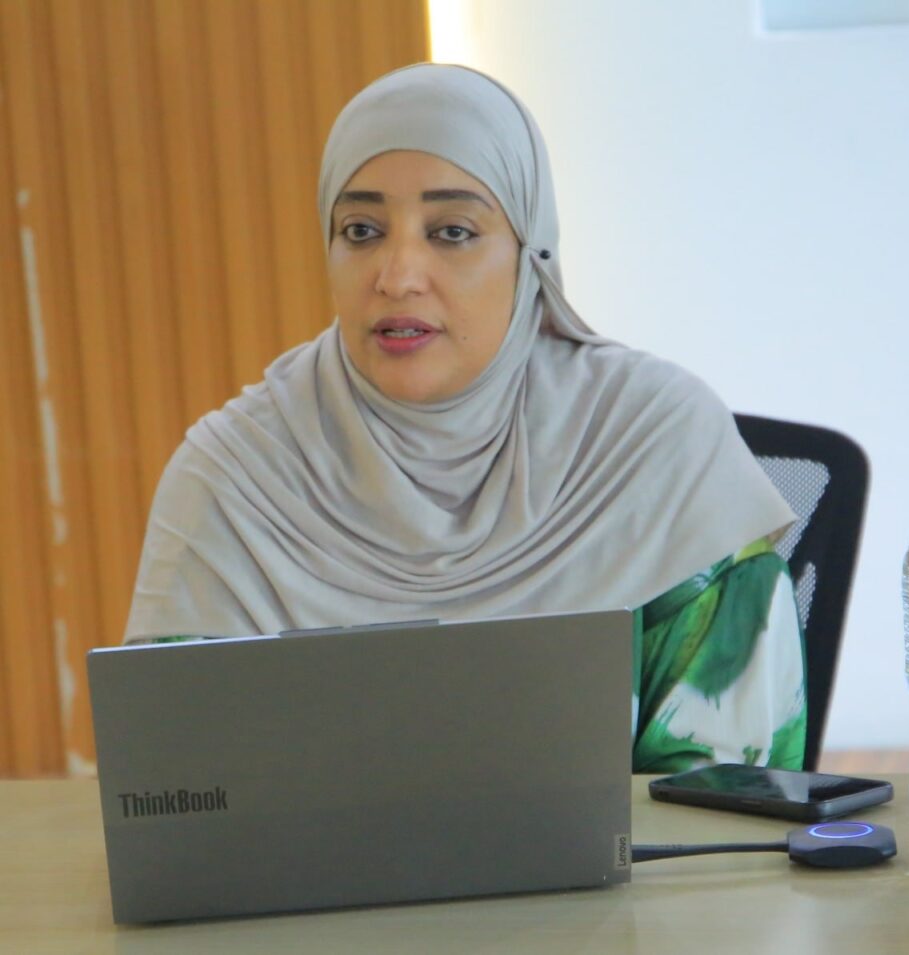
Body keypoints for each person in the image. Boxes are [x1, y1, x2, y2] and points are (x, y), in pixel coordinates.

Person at [124, 63, 805, 774]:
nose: (396, 276)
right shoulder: (234, 474)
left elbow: (727, 792)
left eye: (452, 231)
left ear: (531, 253)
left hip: (619, 855)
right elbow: (178, 784)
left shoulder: (656, 443)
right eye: (361, 230)